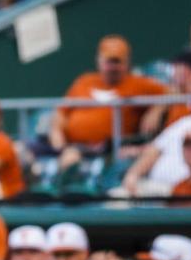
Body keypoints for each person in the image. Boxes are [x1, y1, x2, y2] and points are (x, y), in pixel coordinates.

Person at [47, 35, 171, 167]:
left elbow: (172, 92)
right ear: (99, 60)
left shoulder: (137, 84)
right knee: (23, 152)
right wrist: (56, 133)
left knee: (70, 158)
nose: (112, 67)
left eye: (117, 62)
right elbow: (60, 113)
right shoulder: (84, 81)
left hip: (103, 148)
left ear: (126, 63)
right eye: (108, 61)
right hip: (66, 144)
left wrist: (156, 110)